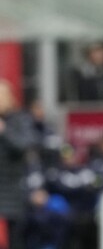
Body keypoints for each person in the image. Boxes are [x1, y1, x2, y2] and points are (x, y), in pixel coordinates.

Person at [0, 79, 37, 249]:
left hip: (13, 194)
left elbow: (24, 146)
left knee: (15, 241)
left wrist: (4, 131)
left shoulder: (20, 119)